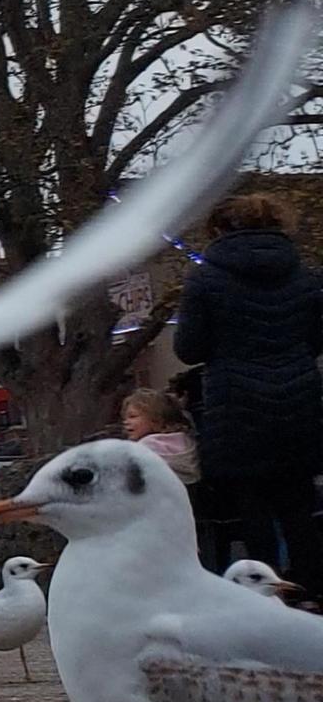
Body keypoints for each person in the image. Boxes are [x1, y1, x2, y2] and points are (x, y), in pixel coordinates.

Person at [173, 192, 323, 585]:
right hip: (300, 402)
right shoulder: (306, 277)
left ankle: (264, 593)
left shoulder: (205, 280)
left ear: (219, 229)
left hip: (236, 406)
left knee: (250, 505)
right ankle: (310, 589)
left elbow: (188, 349)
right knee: (299, 505)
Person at [118, 388, 200, 484]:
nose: (126, 422)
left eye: (133, 416)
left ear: (156, 419)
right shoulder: (186, 440)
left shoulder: (146, 446)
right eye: (125, 418)